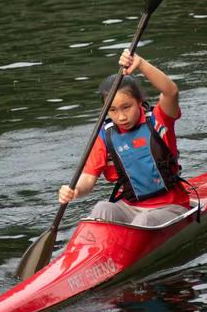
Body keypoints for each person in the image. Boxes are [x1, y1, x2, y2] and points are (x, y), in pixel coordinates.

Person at [58, 49, 191, 227]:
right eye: (112, 110)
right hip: (130, 208)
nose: (121, 117)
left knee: (144, 220)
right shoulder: (105, 135)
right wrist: (74, 190)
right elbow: (88, 179)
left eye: (126, 107)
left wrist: (141, 64)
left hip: (171, 206)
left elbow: (171, 91)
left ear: (139, 102)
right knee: (101, 209)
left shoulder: (159, 119)